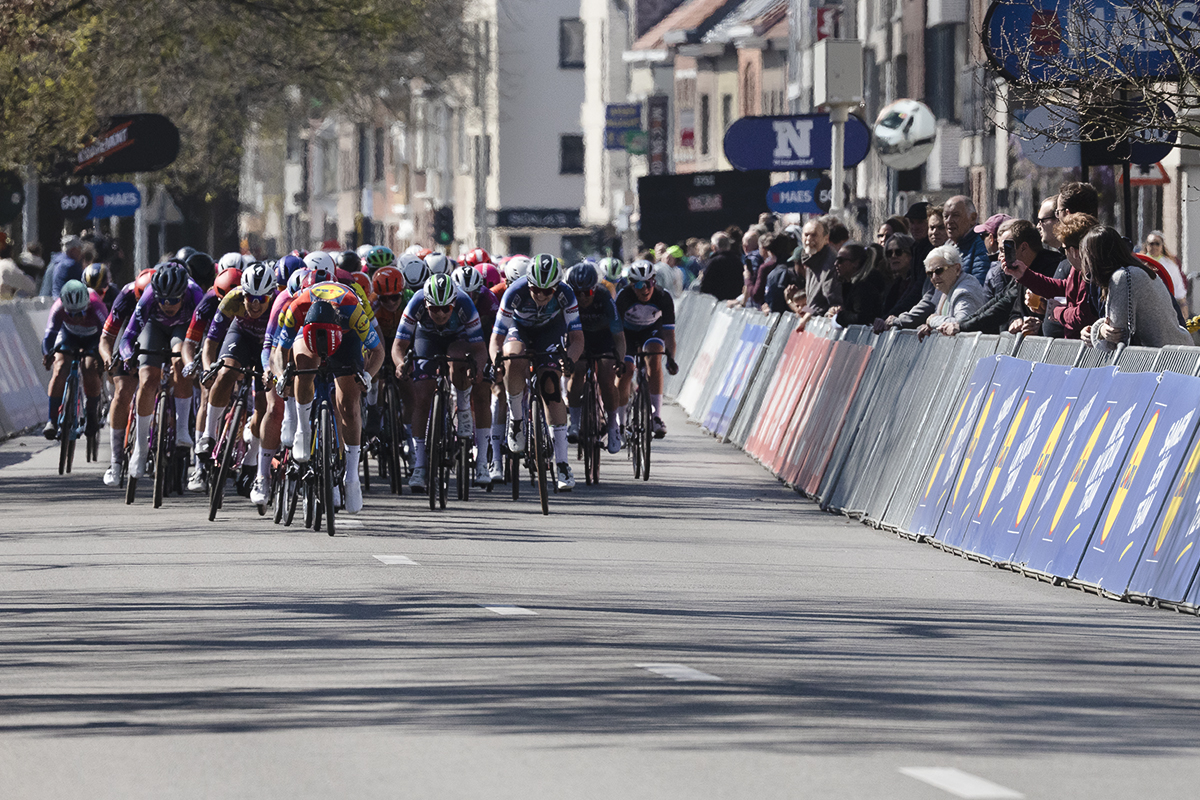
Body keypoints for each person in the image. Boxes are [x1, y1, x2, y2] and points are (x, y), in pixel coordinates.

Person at [271, 280, 385, 514]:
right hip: (308, 335)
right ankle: (303, 429)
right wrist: (281, 376)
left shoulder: (353, 311)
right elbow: (279, 352)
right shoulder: (297, 308)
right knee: (303, 367)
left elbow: (378, 351)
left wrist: (367, 375)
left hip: (346, 339)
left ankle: (351, 477)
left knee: (349, 405)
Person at [490, 254, 585, 491]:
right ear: (527, 282)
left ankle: (562, 464)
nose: (541, 295)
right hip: (519, 329)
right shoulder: (515, 292)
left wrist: (570, 361)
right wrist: (496, 363)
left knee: (551, 386)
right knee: (512, 357)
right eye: (535, 289)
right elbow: (496, 338)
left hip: (550, 331)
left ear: (556, 287)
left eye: (548, 291)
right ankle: (517, 421)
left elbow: (577, 339)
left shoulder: (566, 294)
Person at [392, 273, 488, 491]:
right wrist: (400, 364)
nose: (441, 313)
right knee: (422, 397)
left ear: (454, 304)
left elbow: (480, 349)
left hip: (458, 339)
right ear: (426, 304)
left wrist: (478, 369)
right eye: (434, 308)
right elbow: (399, 345)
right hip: (427, 338)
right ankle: (419, 466)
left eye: (446, 308)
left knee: (458, 360)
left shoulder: (465, 303)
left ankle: (463, 408)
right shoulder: (416, 301)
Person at [197, 263, 278, 506]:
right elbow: (210, 342)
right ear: (242, 294)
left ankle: (251, 462)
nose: (254, 304)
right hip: (240, 337)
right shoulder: (232, 300)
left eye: (261, 298)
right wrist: (209, 367)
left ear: (271, 295)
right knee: (225, 372)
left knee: (264, 407)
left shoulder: (278, 306)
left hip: (268, 346)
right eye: (249, 297)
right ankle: (209, 435)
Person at [117, 263, 203, 479]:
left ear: (184, 293)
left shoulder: (195, 294)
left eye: (174, 300)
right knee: (147, 379)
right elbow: (128, 336)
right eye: (163, 299)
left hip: (183, 328)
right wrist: (128, 355)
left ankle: (182, 428)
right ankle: (140, 448)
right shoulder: (148, 297)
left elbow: (207, 329)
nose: (167, 305)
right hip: (153, 327)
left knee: (180, 361)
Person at [1076, 226, 1191, 349]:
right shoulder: (1135, 270)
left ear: (1095, 257)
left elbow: (1116, 338)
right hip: (1176, 353)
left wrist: (1096, 333)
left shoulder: (1122, 277)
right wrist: (1098, 330)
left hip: (1168, 359)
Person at [1003, 213, 1100, 340]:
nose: (1065, 255)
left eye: (1065, 249)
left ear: (1075, 252)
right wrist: (1024, 274)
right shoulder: (1078, 270)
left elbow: (1081, 316)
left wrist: (1057, 311)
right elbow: (1062, 287)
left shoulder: (1090, 274)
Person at [564, 263, 625, 455]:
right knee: (577, 372)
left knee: (607, 378)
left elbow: (619, 337)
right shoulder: (567, 299)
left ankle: (613, 427)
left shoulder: (604, 297)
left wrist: (621, 360)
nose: (582, 297)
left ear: (595, 288)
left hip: (603, 337)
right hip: (578, 338)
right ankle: (574, 422)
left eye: (587, 292)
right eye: (578, 292)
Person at [616, 260, 677, 439]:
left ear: (654, 282)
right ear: (632, 285)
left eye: (649, 283)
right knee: (626, 370)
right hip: (626, 334)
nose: (645, 289)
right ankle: (620, 422)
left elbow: (669, 335)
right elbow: (616, 333)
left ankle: (656, 416)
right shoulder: (623, 297)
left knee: (655, 359)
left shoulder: (663, 297)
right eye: (640, 285)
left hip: (651, 330)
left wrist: (671, 359)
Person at [41, 280, 107, 440]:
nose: (77, 318)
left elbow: (107, 336)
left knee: (90, 368)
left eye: (81, 313)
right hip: (68, 335)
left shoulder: (97, 306)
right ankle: (52, 420)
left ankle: (91, 415)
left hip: (94, 338)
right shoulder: (58, 307)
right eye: (71, 314)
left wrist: (102, 359)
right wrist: (48, 355)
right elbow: (49, 336)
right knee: (60, 367)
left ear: (87, 306)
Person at [791, 219, 840, 329]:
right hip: (816, 328)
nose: (808, 239)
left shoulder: (830, 264)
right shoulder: (811, 259)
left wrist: (809, 315)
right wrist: (802, 311)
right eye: (806, 235)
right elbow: (813, 304)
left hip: (827, 330)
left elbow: (831, 304)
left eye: (814, 235)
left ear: (826, 238)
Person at [826, 244, 890, 327]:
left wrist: (839, 316)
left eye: (840, 260)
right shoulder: (850, 285)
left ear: (855, 263)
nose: (835, 264)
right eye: (836, 260)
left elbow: (862, 317)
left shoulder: (864, 287)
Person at [943, 196, 991, 282]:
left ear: (972, 218)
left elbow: (977, 285)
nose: (949, 221)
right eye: (946, 216)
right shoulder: (947, 246)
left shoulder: (981, 244)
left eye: (955, 215)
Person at [878, 233, 922, 324]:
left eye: (898, 252)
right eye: (889, 253)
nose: (893, 256)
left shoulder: (915, 281)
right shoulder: (895, 285)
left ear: (910, 254)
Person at [1141, 230, 1187, 316]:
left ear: (1162, 246)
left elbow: (1178, 285)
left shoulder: (1169, 264)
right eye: (1151, 243)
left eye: (1157, 243)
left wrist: (1183, 304)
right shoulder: (1140, 261)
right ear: (1146, 245)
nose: (1154, 246)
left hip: (1165, 303)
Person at [697, 232, 744, 301]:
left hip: (717, 303)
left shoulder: (714, 262)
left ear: (713, 247)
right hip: (734, 303)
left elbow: (705, 286)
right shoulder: (737, 261)